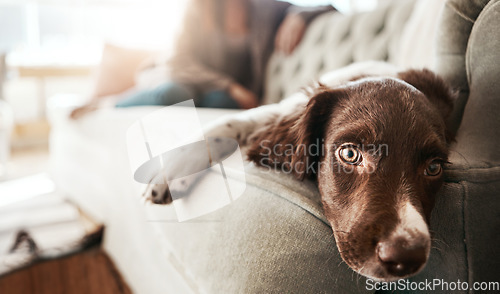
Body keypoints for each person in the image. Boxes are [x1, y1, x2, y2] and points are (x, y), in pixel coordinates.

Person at [71, 0, 335, 119]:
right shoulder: (197, 7)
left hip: (219, 94)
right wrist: (230, 86)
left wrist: (299, 17)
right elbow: (178, 62)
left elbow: (328, 6)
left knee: (223, 104)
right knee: (176, 93)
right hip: (185, 80)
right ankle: (108, 105)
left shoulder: (266, 9)